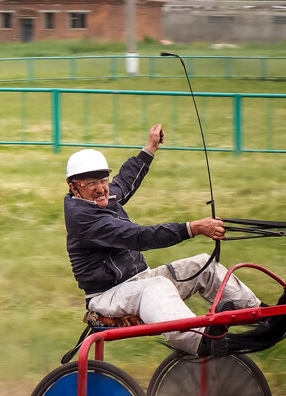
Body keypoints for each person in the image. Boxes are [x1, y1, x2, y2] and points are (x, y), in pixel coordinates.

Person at [64, 124, 285, 356]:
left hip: (138, 281)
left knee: (202, 265)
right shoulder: (84, 219)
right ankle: (201, 340)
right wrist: (193, 228)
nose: (100, 188)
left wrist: (150, 148)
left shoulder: (102, 195)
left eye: (103, 180)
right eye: (90, 183)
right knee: (156, 286)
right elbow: (139, 237)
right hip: (108, 296)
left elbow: (126, 181)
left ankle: (262, 315)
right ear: (74, 187)